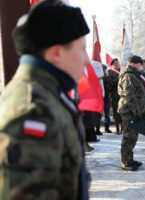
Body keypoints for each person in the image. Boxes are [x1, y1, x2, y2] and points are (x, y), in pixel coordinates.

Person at [0, 1, 90, 199]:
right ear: (57, 52)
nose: (87, 60)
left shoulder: (47, 94)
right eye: (82, 49)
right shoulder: (33, 109)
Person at [118, 55, 145, 171]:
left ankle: (130, 158)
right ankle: (125, 161)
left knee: (134, 136)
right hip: (129, 111)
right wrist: (136, 113)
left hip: (134, 110)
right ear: (133, 64)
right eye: (139, 64)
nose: (141, 67)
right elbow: (130, 96)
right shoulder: (129, 76)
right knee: (129, 135)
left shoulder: (134, 75)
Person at [107, 58, 122, 134]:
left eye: (117, 63)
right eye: (115, 63)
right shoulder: (110, 72)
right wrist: (119, 78)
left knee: (123, 112)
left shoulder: (122, 71)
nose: (117, 64)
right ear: (112, 65)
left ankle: (123, 128)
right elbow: (110, 83)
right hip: (115, 95)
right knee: (116, 112)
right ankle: (117, 129)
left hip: (122, 95)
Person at [103, 64, 113, 133]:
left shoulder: (106, 77)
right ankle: (97, 129)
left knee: (107, 115)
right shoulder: (98, 77)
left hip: (106, 98)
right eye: (104, 69)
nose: (105, 71)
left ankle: (106, 128)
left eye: (105, 69)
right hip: (100, 98)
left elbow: (110, 85)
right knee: (98, 115)